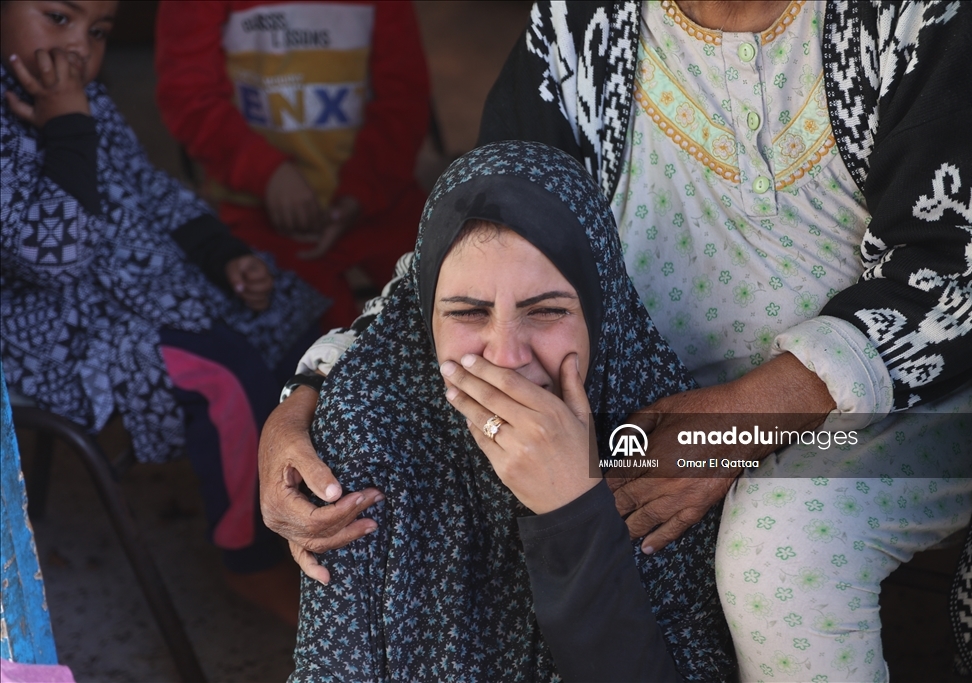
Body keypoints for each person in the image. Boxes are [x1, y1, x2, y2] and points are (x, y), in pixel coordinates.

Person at [262, 0, 972, 678]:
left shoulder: (927, 16)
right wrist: (310, 389)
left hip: (886, 411)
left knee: (782, 554)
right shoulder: (578, 24)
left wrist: (741, 420)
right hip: (643, 409)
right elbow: (482, 232)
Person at [290, 140, 734, 681]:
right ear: (424, 314)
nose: (506, 356)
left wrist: (574, 511)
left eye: (547, 311)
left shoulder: (666, 445)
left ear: (601, 310)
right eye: (467, 312)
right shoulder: (369, 423)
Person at [0, 0, 329, 623]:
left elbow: (153, 192)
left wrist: (221, 255)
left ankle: (308, 507)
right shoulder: (52, 109)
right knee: (227, 378)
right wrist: (66, 123)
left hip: (140, 291)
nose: (77, 48)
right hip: (58, 340)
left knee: (295, 327)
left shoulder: (85, 97)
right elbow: (53, 258)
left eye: (96, 32)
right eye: (57, 18)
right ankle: (251, 559)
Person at [154, 0, 430, 329]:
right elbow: (188, 97)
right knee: (310, 348)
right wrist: (268, 175)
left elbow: (404, 98)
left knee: (449, 298)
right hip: (258, 212)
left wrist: (362, 190)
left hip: (382, 197)